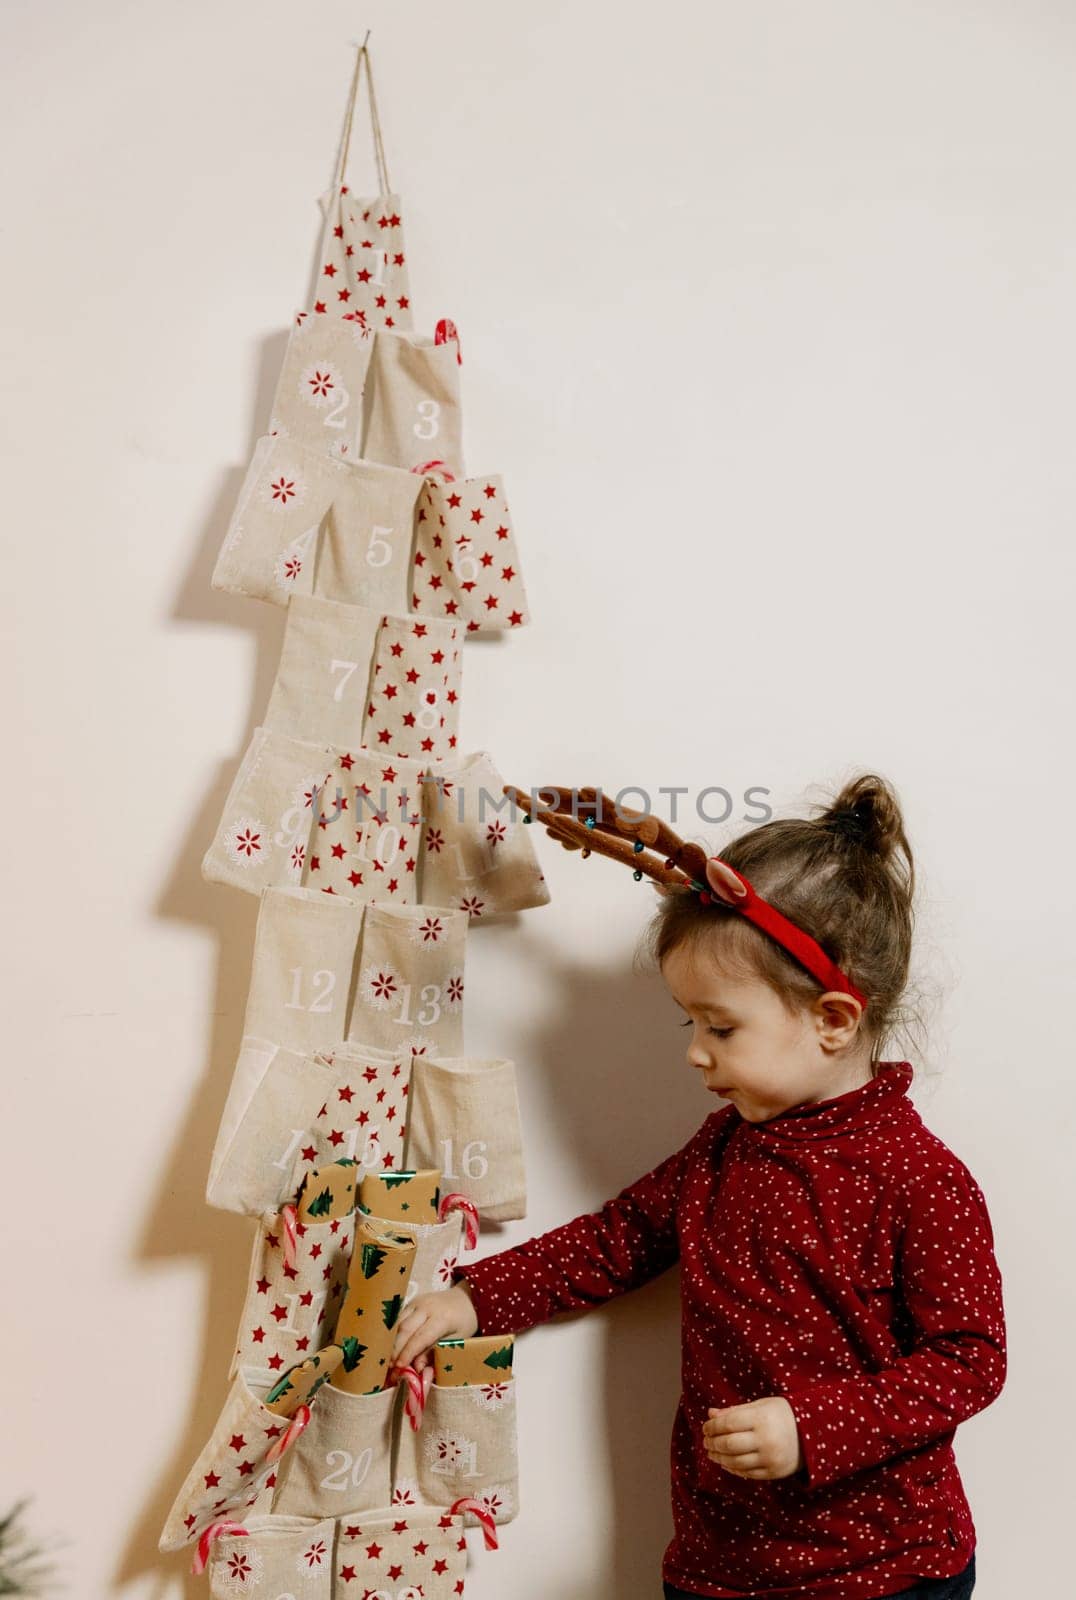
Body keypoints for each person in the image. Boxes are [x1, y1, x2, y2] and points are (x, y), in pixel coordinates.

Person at [390, 773, 1005, 1599]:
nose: (696, 1053)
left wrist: (813, 1425)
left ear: (833, 1018)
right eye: (693, 1024)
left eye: (722, 1027)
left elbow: (970, 1362)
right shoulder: (724, 1150)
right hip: (724, 1562)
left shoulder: (919, 1179)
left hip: (883, 1569)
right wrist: (478, 1297)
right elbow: (616, 1238)